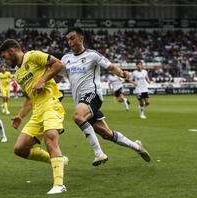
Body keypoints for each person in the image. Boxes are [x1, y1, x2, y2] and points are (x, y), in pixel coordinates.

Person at [61, 27, 150, 166]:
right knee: (107, 134)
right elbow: (57, 75)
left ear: (81, 38)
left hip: (93, 95)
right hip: (81, 102)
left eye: (72, 38)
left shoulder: (92, 55)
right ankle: (137, 146)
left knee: (78, 116)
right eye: (67, 39)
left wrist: (122, 73)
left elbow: (111, 67)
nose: (70, 42)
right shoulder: (66, 58)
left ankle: (99, 153)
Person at [0, 39, 67, 194]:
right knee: (20, 148)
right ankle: (57, 160)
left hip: (51, 103)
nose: (4, 61)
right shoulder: (18, 74)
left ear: (11, 51)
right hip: (37, 111)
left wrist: (43, 80)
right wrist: (20, 116)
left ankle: (59, 185)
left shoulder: (33, 56)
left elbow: (58, 64)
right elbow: (29, 99)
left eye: (4, 57)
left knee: (50, 137)